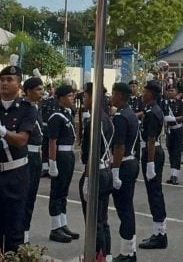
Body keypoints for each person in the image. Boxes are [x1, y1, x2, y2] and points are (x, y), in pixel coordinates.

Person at [0, 64, 37, 253]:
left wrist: (0, 129)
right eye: (2, 79)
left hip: (15, 174)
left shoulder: (27, 109)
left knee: (13, 230)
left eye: (9, 80)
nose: (4, 83)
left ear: (18, 85)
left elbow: (21, 140)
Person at [79, 82, 114, 259]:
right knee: (103, 219)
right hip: (106, 169)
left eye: (86, 95)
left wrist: (86, 178)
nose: (84, 98)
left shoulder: (94, 120)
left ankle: (97, 256)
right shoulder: (106, 117)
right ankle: (106, 255)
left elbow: (90, 151)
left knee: (94, 221)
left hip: (95, 172)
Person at [111, 82, 140, 262]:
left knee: (124, 210)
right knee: (127, 208)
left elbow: (119, 146)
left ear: (120, 96)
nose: (111, 97)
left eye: (113, 94)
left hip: (124, 165)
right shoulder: (130, 113)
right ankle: (130, 249)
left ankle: (127, 253)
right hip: (131, 162)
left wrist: (115, 170)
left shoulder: (121, 116)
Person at [139, 80, 168, 250]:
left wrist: (150, 163)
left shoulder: (152, 112)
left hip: (152, 153)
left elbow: (150, 139)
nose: (143, 93)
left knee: (154, 194)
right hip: (154, 152)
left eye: (145, 91)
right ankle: (159, 232)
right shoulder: (153, 109)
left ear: (151, 93)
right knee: (154, 193)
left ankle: (160, 234)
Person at [47, 84, 78, 243]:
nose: (72, 98)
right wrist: (52, 163)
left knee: (64, 191)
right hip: (60, 155)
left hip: (69, 155)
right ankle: (55, 228)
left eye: (73, 95)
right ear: (60, 99)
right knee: (57, 191)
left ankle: (63, 223)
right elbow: (52, 141)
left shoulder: (68, 114)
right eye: (69, 96)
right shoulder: (56, 116)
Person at [22, 76, 44, 244]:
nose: (41, 92)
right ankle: (19, 234)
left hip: (36, 156)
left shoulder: (36, 108)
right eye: (38, 89)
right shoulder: (24, 108)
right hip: (26, 156)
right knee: (24, 196)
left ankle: (25, 235)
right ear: (28, 91)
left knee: (31, 198)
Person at [161, 85, 183, 185]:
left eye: (172, 90)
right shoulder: (164, 103)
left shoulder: (180, 103)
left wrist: (173, 119)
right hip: (169, 131)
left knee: (177, 153)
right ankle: (172, 174)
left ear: (176, 92)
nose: (170, 92)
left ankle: (176, 175)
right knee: (171, 153)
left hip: (177, 129)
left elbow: (182, 116)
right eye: (169, 91)